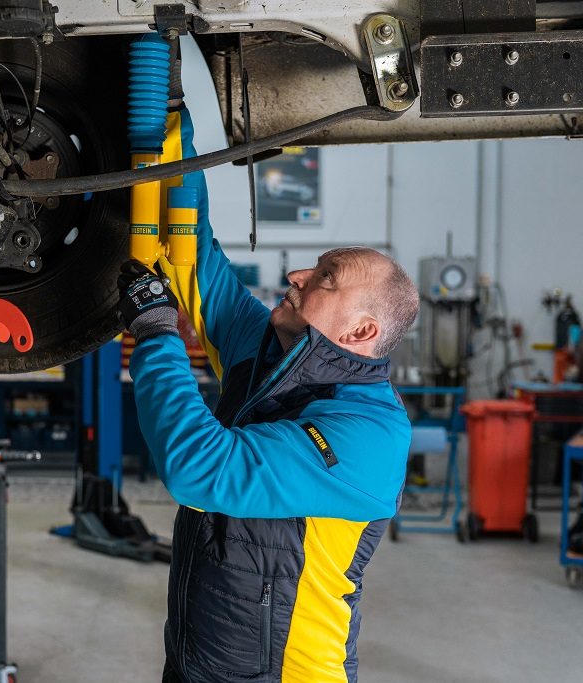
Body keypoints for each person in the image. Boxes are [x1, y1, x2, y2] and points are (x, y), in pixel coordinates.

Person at [116, 105, 420, 683]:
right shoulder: (267, 352)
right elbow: (197, 266)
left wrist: (156, 331)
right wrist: (174, 125)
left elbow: (200, 470)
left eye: (324, 277)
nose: (298, 276)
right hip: (196, 659)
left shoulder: (370, 435)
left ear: (361, 332)